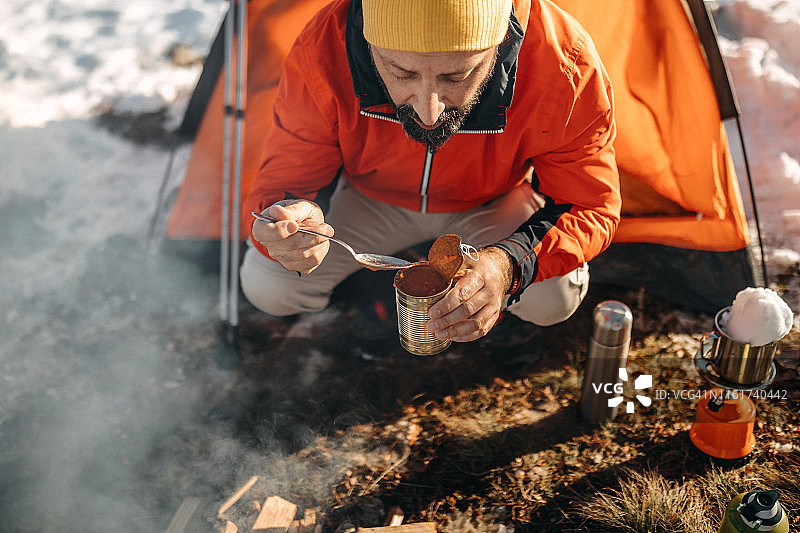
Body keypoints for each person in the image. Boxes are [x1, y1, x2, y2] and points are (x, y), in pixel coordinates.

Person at [241, 0, 621, 345]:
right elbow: (284, 181)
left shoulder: (562, 62)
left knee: (552, 299)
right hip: (368, 199)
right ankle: (373, 291)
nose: (429, 112)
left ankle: (485, 295)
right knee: (269, 287)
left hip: (492, 203)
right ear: (369, 45)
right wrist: (284, 221)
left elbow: (590, 205)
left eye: (456, 77)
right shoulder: (326, 46)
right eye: (401, 73)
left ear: (501, 41)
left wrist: (506, 264)